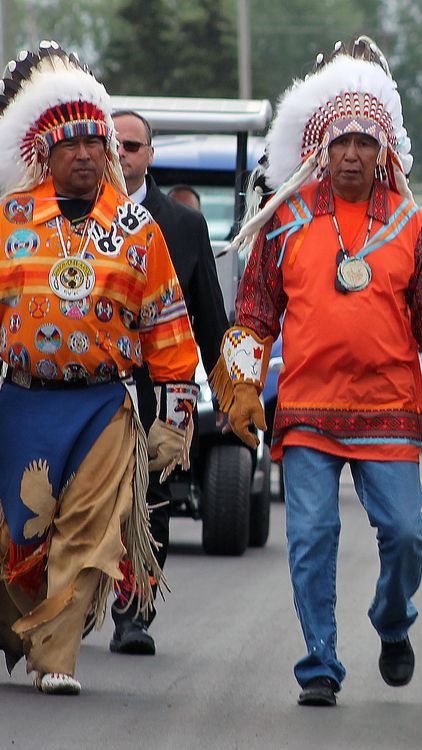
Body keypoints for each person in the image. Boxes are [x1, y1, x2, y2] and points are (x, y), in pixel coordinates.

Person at [212, 37, 422, 707]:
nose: (352, 152)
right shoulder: (286, 221)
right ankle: (320, 665)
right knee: (311, 537)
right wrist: (240, 387)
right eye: (340, 141)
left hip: (387, 408)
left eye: (364, 141)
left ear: (383, 151)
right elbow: (254, 315)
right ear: (319, 150)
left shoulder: (412, 225)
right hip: (306, 408)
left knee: (409, 535)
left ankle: (392, 621)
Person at [0, 42, 198, 695]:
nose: (85, 153)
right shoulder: (10, 222)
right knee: (17, 538)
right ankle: (20, 626)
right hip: (23, 402)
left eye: (95, 141)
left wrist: (175, 417)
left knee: (86, 537)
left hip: (102, 407)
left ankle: (56, 659)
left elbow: (168, 325)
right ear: (46, 155)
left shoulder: (138, 229)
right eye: (70, 143)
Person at [103, 110, 228, 655]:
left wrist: (228, 388)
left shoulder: (182, 225)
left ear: (150, 154)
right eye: (115, 143)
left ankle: (134, 613)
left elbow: (207, 313)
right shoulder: (71, 213)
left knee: (149, 500)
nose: (123, 153)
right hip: (87, 386)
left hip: (156, 389)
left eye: (133, 144)